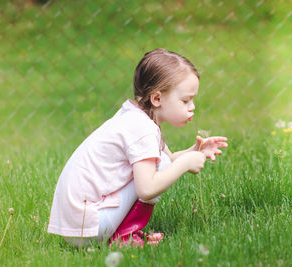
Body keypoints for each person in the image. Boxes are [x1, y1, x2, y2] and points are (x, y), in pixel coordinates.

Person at [47, 48, 228, 248]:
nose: (192, 106)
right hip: (89, 227)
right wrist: (185, 164)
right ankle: (124, 238)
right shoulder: (142, 130)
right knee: (157, 169)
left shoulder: (136, 117)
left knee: (161, 163)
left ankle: (122, 235)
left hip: (79, 225)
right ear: (157, 98)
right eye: (185, 100)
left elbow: (168, 160)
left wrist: (195, 152)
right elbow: (147, 188)